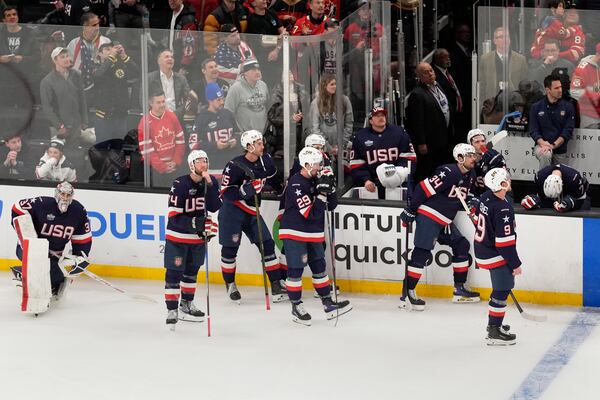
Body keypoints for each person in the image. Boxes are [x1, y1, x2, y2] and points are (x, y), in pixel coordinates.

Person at [399, 143, 480, 311]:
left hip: (445, 221)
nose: (474, 158)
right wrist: (411, 209)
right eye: (470, 155)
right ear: (459, 158)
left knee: (461, 245)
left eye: (474, 155)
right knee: (421, 253)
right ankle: (409, 292)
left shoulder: (471, 174)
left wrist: (472, 200)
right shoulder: (448, 172)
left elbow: (466, 194)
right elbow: (423, 188)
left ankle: (459, 289)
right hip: (429, 216)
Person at [279, 146, 351, 325]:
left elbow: (331, 206)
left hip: (313, 233)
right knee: (295, 270)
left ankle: (328, 304)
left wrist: (330, 188)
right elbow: (310, 213)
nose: (321, 167)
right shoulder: (296, 183)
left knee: (319, 267)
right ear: (307, 164)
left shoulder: (314, 179)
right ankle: (296, 306)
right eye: (318, 164)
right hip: (294, 233)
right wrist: (321, 193)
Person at [218, 129, 285, 303]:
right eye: (259, 143)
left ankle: (276, 283)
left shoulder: (266, 161)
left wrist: (281, 190)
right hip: (232, 211)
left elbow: (272, 177)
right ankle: (230, 283)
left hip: (252, 211)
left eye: (262, 142)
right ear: (249, 147)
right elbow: (225, 192)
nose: (263, 146)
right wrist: (245, 190)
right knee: (230, 249)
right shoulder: (234, 166)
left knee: (268, 244)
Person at [10, 181, 92, 313]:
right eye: (62, 194)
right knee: (45, 269)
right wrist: (27, 235)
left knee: (58, 274)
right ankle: (30, 278)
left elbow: (83, 239)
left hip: (54, 256)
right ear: (56, 194)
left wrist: (79, 257)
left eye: (68, 195)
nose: (65, 198)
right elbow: (17, 208)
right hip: (28, 249)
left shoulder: (78, 212)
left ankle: (23, 273)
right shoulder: (43, 204)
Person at [164, 149, 222, 328]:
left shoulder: (208, 183)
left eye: (205, 160)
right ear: (191, 165)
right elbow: (173, 216)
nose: (204, 164)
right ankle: (172, 309)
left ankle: (187, 303)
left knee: (191, 273)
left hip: (197, 240)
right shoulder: (180, 184)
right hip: (177, 238)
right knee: (174, 273)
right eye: (199, 161)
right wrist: (197, 223)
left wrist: (211, 185)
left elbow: (214, 207)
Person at [473, 168, 521, 345]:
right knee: (503, 288)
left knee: (502, 287)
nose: (509, 180)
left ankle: (494, 323)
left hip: (482, 248)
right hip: (494, 253)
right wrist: (515, 264)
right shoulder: (503, 208)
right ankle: (494, 329)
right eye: (506, 179)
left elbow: (479, 212)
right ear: (501, 184)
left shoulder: (486, 196)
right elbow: (504, 244)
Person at [350, 106, 415, 199]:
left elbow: (409, 158)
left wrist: (399, 176)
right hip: (372, 184)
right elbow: (356, 163)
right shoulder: (361, 137)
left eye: (383, 115)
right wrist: (366, 180)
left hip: (398, 182)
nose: (381, 118)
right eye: (377, 116)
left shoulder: (399, 132)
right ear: (371, 121)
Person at [405, 62, 453, 181]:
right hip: (429, 141)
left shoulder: (438, 86)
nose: (430, 74)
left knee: (439, 168)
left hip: (442, 137)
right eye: (426, 72)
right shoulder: (417, 94)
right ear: (420, 76)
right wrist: (421, 143)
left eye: (431, 70)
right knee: (427, 170)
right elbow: (416, 121)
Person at [40, 47, 90, 146]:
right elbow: (47, 108)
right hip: (58, 127)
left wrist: (84, 121)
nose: (67, 59)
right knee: (57, 154)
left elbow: (82, 99)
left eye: (67, 56)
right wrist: (59, 126)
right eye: (62, 57)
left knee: (74, 154)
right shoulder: (47, 81)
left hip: (76, 125)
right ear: (55, 60)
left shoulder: (76, 75)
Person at [93, 41, 139, 147]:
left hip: (120, 115)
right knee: (103, 149)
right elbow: (97, 76)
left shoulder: (120, 66)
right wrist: (111, 58)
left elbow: (136, 73)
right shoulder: (96, 67)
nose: (112, 51)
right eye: (107, 50)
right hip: (104, 116)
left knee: (118, 148)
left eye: (113, 49)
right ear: (99, 53)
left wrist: (124, 56)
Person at [137, 91, 186, 187]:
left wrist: (176, 161)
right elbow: (147, 151)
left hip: (175, 167)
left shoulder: (172, 116)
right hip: (156, 171)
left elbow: (180, 141)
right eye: (158, 102)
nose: (162, 105)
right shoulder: (144, 122)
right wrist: (162, 167)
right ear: (151, 103)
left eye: (163, 101)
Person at [528, 74, 575, 169]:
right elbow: (533, 130)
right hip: (541, 146)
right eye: (556, 88)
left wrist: (553, 145)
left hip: (560, 148)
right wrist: (543, 144)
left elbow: (567, 131)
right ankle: (542, 182)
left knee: (560, 176)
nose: (560, 90)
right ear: (548, 90)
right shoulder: (536, 107)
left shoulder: (568, 107)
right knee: (546, 154)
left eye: (561, 87)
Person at [190, 82, 239, 173]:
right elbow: (192, 145)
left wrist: (235, 140)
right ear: (210, 100)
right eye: (218, 100)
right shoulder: (201, 119)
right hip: (212, 169)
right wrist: (215, 145)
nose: (222, 102)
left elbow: (238, 133)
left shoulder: (228, 114)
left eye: (222, 99)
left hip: (231, 166)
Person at [66, 12, 111, 95]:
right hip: (79, 87)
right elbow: (67, 66)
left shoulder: (106, 42)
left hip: (101, 86)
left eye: (98, 24)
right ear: (85, 27)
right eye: (94, 25)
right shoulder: (74, 43)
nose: (97, 28)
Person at [478, 26, 528, 101]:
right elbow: (482, 85)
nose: (505, 39)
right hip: (492, 103)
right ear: (495, 41)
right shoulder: (485, 59)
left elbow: (525, 85)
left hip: (514, 102)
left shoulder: (520, 59)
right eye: (501, 37)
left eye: (507, 37)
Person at [308, 73, 353, 155]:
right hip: (323, 148)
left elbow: (349, 124)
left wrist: (341, 145)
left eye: (335, 84)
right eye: (332, 84)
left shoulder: (344, 100)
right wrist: (328, 147)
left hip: (342, 146)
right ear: (324, 86)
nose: (334, 86)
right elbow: (315, 128)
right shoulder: (316, 103)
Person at [521, 163, 590, 213]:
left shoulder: (574, 178)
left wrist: (569, 203)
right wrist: (533, 200)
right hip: (549, 200)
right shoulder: (539, 177)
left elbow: (581, 199)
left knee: (584, 206)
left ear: (562, 184)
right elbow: (541, 198)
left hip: (575, 196)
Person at [147, 48, 192, 122]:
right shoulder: (149, 78)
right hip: (156, 119)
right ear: (159, 61)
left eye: (172, 57)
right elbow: (144, 100)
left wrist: (176, 114)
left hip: (177, 118)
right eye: (167, 57)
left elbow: (188, 99)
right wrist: (157, 114)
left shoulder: (181, 79)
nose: (170, 59)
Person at [224, 58, 269, 133]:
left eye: (258, 69)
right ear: (245, 73)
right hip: (245, 135)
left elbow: (267, 106)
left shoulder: (263, 85)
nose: (257, 72)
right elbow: (228, 113)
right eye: (253, 70)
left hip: (263, 133)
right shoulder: (235, 88)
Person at [466, 128, 507, 198]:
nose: (481, 144)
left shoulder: (494, 156)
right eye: (477, 142)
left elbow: (503, 182)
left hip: (497, 193)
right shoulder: (466, 158)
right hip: (475, 195)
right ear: (470, 144)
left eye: (483, 141)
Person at [571, 42, 600, 128]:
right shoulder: (583, 68)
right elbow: (574, 91)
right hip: (589, 115)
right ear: (598, 55)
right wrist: (596, 96)